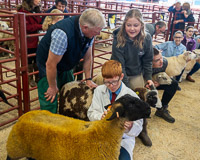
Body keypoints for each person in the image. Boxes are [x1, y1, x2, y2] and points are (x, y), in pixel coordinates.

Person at [36, 8, 106, 113]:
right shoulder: (62, 34)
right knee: (50, 98)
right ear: (85, 27)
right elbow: (51, 64)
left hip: (66, 64)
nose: (99, 33)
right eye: (97, 31)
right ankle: (49, 125)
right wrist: (52, 86)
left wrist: (88, 79)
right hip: (48, 67)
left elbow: (88, 57)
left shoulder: (89, 31)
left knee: (70, 94)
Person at [111, 9, 153, 147]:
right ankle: (113, 125)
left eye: (136, 25)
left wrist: (148, 78)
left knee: (141, 99)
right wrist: (127, 88)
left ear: (141, 25)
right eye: (129, 25)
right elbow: (120, 65)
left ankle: (142, 129)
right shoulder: (119, 37)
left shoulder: (146, 38)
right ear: (124, 25)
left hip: (136, 72)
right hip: (118, 71)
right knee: (119, 97)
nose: (132, 28)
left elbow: (147, 60)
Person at [87, 60, 143, 160]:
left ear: (121, 77)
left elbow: (138, 127)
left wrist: (131, 126)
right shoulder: (99, 90)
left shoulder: (133, 97)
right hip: (101, 134)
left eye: (114, 81)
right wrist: (100, 116)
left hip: (122, 139)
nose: (111, 85)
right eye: (107, 82)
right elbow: (91, 113)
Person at [17, 0, 42, 87]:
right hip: (28, 40)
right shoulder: (22, 11)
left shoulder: (36, 9)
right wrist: (41, 26)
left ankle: (37, 77)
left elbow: (40, 20)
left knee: (37, 58)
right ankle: (29, 78)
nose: (39, 0)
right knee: (29, 60)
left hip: (36, 39)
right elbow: (27, 27)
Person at [152, 48, 178, 123]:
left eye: (161, 57)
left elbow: (161, 73)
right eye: (157, 60)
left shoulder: (164, 62)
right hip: (145, 82)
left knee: (173, 83)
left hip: (155, 79)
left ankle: (162, 109)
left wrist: (159, 82)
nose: (161, 61)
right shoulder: (143, 65)